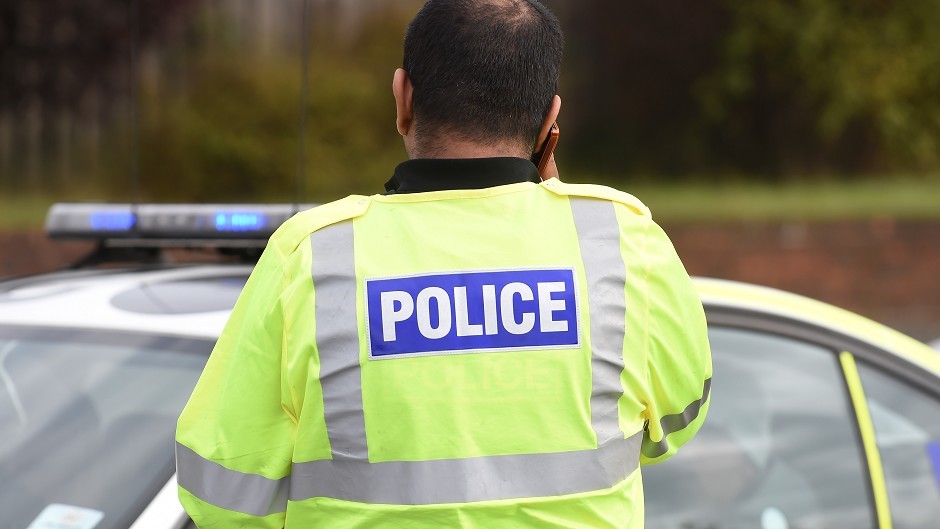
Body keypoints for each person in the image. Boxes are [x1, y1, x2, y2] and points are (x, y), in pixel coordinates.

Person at [175, 0, 711, 527]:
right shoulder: (619, 239)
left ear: (403, 97)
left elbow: (223, 493)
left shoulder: (311, 254)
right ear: (551, 118)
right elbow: (677, 421)